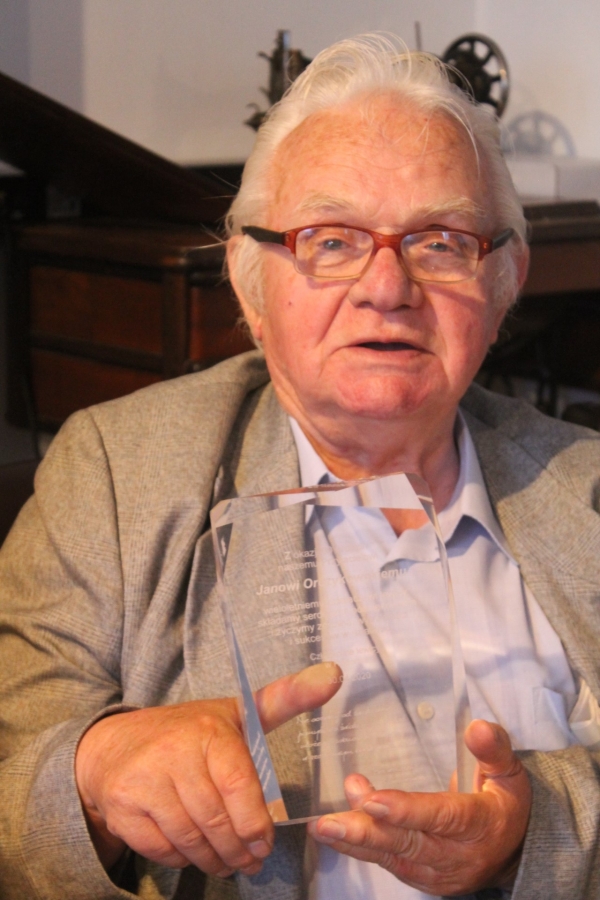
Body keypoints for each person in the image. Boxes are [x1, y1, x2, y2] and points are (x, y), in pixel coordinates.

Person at [1, 34, 600, 900]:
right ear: (251, 283)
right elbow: (14, 775)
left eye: (439, 241)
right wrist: (93, 771)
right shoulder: (116, 477)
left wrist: (531, 834)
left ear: (504, 280)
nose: (387, 288)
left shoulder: (584, 486)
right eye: (331, 240)